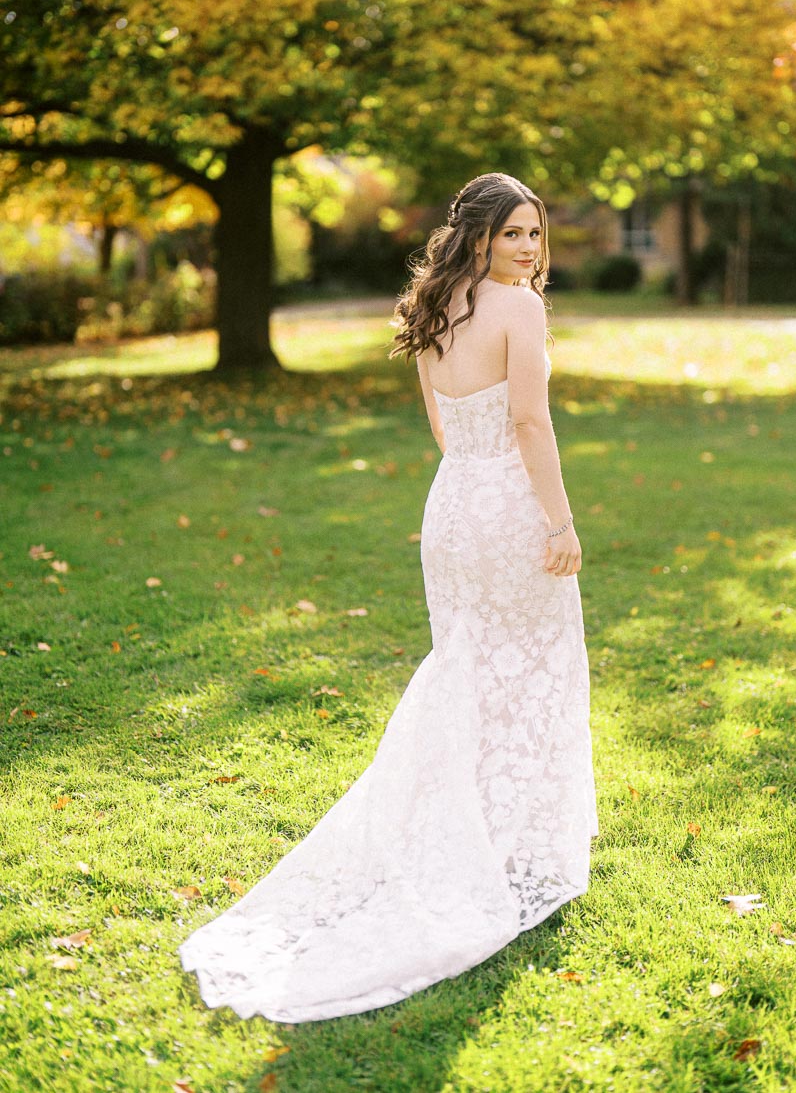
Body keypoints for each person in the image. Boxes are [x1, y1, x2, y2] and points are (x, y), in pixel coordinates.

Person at [178, 171, 598, 1023]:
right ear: (479, 236)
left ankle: (473, 830)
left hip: (452, 505)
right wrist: (558, 521)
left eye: (534, 233)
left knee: (470, 667)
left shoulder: (434, 304)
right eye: (514, 233)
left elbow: (444, 427)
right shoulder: (518, 308)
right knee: (529, 668)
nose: (528, 248)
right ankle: (509, 842)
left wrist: (474, 477)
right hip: (509, 506)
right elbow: (529, 423)